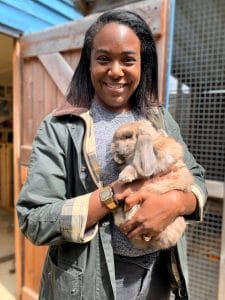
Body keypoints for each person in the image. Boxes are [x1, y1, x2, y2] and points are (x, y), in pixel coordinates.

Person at [16, 10, 207, 300]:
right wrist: (114, 194)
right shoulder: (61, 127)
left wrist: (175, 202)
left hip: (160, 275)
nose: (115, 71)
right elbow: (34, 219)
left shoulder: (160, 120)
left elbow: (199, 180)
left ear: (143, 64)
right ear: (88, 63)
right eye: (104, 58)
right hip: (90, 282)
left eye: (128, 60)